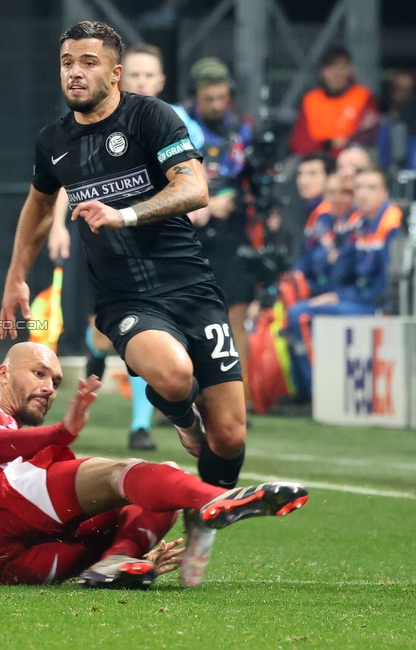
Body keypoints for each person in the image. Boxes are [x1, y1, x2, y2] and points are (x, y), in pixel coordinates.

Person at [0, 21, 250, 587]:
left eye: (88, 61)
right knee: (174, 372)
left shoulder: (152, 118)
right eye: (67, 62)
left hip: (191, 286)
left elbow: (195, 188)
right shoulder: (54, 141)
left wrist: (126, 212)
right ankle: (182, 418)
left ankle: (201, 524)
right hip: (124, 297)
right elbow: (39, 210)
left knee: (231, 436)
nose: (75, 71)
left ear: (114, 72)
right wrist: (17, 277)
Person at [0, 342, 308, 588]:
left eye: (56, 381)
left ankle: (117, 562)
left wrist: (142, 557)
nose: (49, 388)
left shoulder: (24, 450)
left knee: (151, 499)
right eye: (39, 374)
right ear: (4, 373)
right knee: (118, 475)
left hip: (5, 564)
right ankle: (215, 499)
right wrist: (59, 433)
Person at [46, 42, 206, 453]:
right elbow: (69, 176)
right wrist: (58, 226)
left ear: (161, 81)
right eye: (134, 74)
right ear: (119, 76)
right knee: (106, 337)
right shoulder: (94, 119)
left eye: (148, 75)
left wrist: (211, 202)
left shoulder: (176, 121)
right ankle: (98, 354)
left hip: (167, 247)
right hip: (110, 248)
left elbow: (197, 178)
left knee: (159, 343)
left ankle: (142, 426)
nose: (140, 82)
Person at [286, 166, 401, 395]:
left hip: (377, 306)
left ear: (384, 193)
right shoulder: (358, 224)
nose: (363, 193)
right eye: (358, 187)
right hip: (356, 299)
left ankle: (317, 394)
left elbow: (388, 286)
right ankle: (304, 390)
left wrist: (339, 296)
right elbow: (341, 273)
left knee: (302, 315)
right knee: (295, 309)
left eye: (371, 187)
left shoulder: (393, 225)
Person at [184, 57, 257, 404]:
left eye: (221, 98)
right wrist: (208, 204)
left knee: (236, 315)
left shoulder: (243, 129)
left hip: (233, 235)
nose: (215, 105)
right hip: (190, 234)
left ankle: (239, 399)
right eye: (208, 98)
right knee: (187, 316)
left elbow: (254, 177)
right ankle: (183, 397)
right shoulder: (180, 126)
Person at [289, 46, 380, 157]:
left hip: (350, 158)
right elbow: (299, 141)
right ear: (321, 72)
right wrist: (327, 143)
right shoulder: (311, 99)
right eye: (330, 68)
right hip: (316, 157)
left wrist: (346, 143)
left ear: (350, 69)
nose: (335, 74)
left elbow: (368, 135)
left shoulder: (364, 96)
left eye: (341, 67)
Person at [292, 153, 337, 296]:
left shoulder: (328, 212)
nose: (303, 181)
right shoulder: (314, 211)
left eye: (313, 174)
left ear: (331, 178)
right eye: (301, 174)